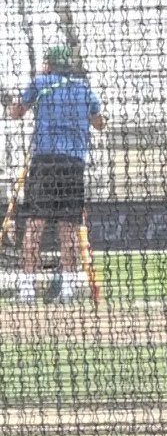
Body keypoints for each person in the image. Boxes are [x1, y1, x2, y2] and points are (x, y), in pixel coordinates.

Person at [5, 45, 106, 304]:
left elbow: (16, 113)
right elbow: (100, 123)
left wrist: (12, 102)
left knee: (34, 225)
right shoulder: (84, 89)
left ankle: (27, 289)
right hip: (73, 164)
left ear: (49, 64)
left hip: (45, 162)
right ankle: (68, 290)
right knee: (68, 227)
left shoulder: (40, 83)